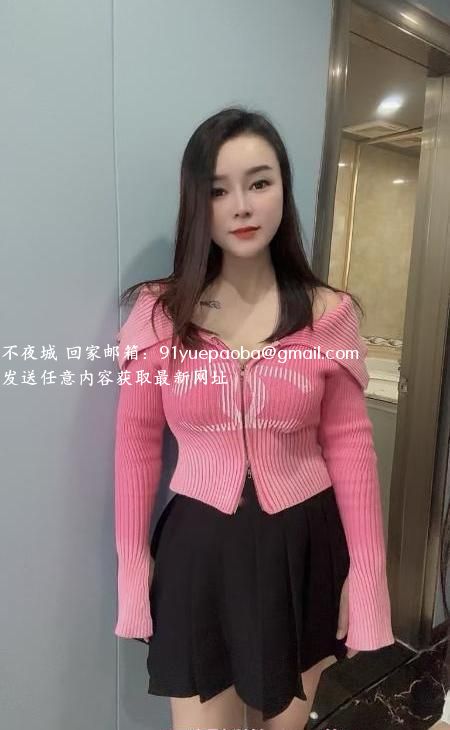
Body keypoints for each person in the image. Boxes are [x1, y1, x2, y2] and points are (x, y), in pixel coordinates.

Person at [113, 106, 395, 730]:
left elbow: (351, 447)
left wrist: (367, 575)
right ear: (196, 204)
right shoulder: (158, 314)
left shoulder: (328, 314)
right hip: (199, 550)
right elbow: (136, 444)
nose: (241, 206)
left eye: (259, 183)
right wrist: (133, 563)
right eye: (218, 190)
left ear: (283, 190)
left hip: (303, 545)